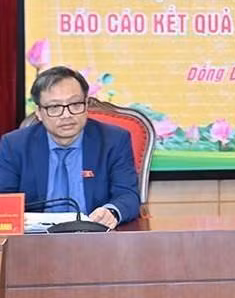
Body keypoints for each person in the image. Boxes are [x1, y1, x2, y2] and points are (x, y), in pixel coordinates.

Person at [0, 66, 141, 228]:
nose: (66, 115)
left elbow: (128, 195)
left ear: (86, 105)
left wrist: (112, 212)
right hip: (35, 242)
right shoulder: (14, 145)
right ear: (39, 112)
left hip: (96, 240)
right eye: (54, 107)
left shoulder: (114, 140)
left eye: (75, 104)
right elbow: (4, 199)